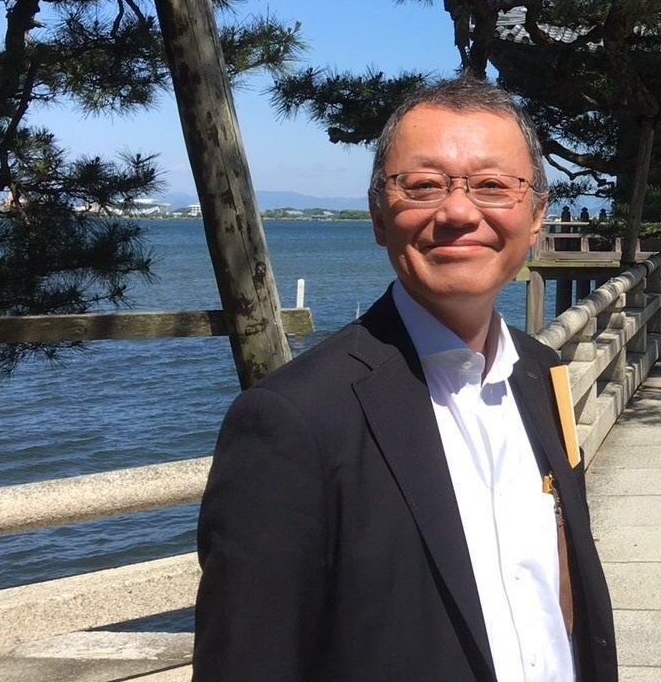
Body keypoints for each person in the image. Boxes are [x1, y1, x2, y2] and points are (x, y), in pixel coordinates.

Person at [193, 77, 619, 681]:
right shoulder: (295, 421)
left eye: (493, 186)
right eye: (422, 185)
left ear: (535, 217)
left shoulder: (539, 374)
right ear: (378, 215)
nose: (458, 212)